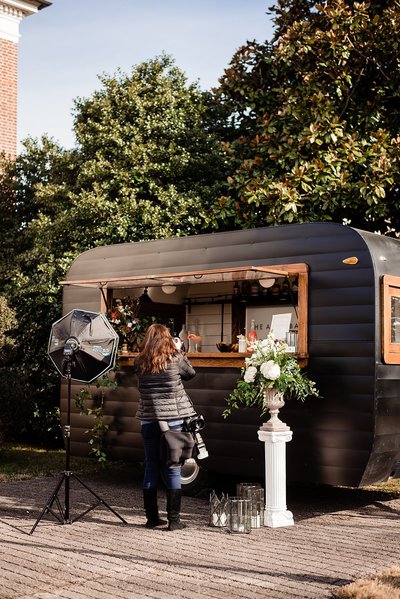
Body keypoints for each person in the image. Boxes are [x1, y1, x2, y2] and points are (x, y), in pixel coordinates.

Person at [134, 323, 196, 531]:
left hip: (148, 419)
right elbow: (190, 374)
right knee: (173, 466)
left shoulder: (140, 362)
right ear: (167, 339)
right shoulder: (175, 359)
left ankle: (152, 518)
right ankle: (174, 520)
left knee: (151, 465)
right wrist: (179, 350)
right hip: (173, 421)